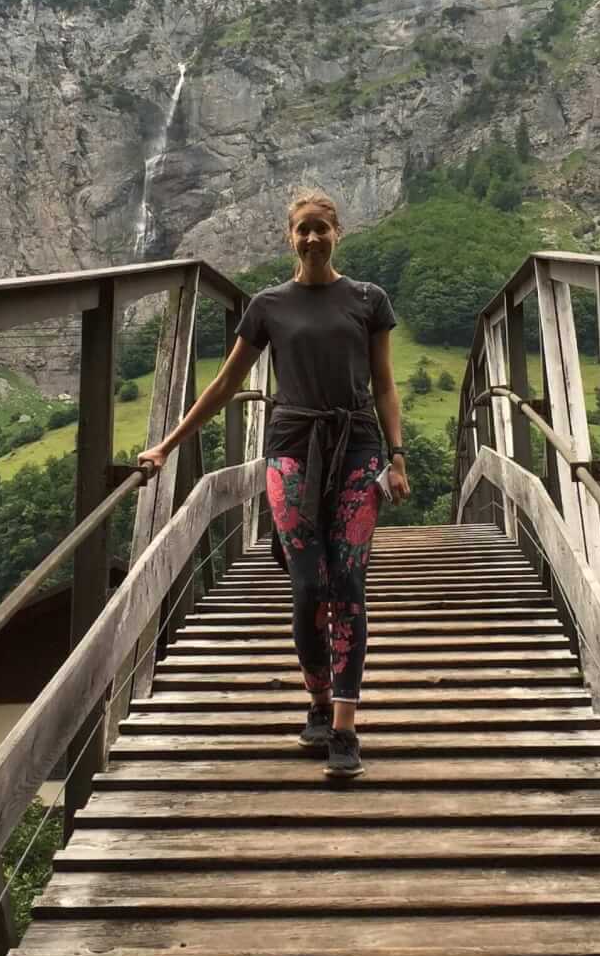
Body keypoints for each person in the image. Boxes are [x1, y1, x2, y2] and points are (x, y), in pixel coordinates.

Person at [137, 188, 410, 776]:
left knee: (349, 585)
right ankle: (315, 700)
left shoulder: (369, 299)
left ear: (338, 231)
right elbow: (224, 385)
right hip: (290, 449)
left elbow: (386, 385)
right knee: (309, 585)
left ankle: (342, 726)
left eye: (321, 228)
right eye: (301, 230)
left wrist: (398, 454)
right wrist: (167, 444)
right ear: (290, 237)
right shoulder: (267, 305)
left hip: (359, 448)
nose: (312, 238)